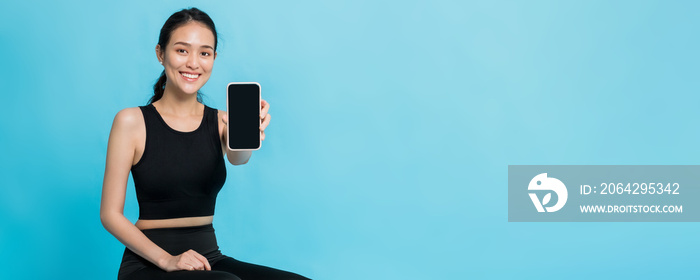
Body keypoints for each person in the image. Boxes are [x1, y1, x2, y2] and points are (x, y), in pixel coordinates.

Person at [100, 7, 310, 280]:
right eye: (182, 50)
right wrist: (168, 260)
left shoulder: (222, 121)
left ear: (213, 59)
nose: (193, 63)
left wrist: (248, 134)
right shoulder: (131, 122)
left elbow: (239, 158)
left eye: (205, 53)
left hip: (209, 259)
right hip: (148, 265)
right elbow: (110, 215)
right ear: (160, 54)